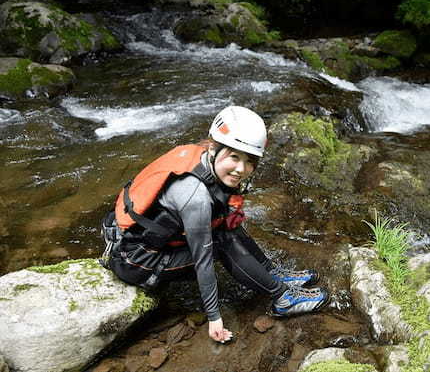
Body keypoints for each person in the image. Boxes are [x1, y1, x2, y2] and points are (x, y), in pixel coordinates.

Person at [100, 106, 329, 344]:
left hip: (148, 242)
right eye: (234, 157)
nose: (241, 169)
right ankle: (283, 299)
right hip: (137, 261)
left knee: (228, 224)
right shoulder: (194, 195)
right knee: (221, 242)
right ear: (213, 147)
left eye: (249, 161)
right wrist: (214, 317)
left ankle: (272, 273)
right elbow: (204, 259)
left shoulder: (206, 160)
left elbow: (227, 219)